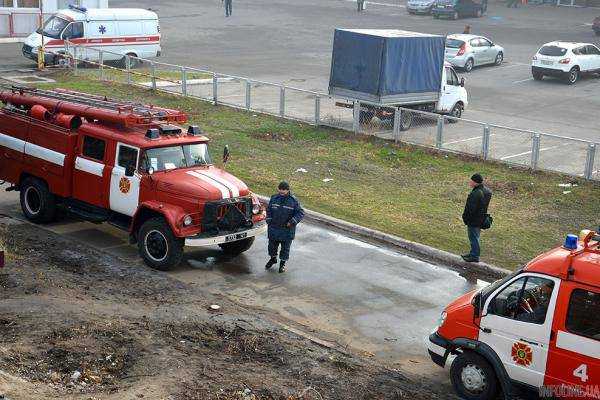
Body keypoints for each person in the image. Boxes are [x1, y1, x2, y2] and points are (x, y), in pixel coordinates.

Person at [265, 181, 304, 273]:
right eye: (280, 189)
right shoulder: (274, 198)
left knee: (285, 249)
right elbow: (269, 210)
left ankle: (282, 264)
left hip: (287, 230)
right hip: (274, 228)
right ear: (278, 189)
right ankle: (273, 259)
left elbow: (300, 213)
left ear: (288, 190)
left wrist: (292, 222)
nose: (282, 191)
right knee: (271, 247)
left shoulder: (293, 201)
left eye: (284, 190)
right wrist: (269, 219)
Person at [461, 173, 492, 263]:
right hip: (481, 218)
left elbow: (471, 209)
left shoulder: (476, 193)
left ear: (476, 182)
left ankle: (474, 256)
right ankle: (472, 253)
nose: (470, 182)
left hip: (474, 220)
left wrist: (465, 218)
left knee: (473, 237)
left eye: (471, 181)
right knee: (475, 237)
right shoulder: (486, 191)